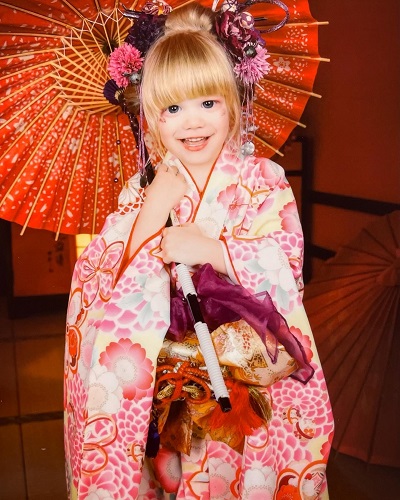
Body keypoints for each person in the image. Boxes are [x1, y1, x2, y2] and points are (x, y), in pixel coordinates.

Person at [64, 2, 334, 498]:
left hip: (250, 387)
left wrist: (214, 249)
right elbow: (99, 285)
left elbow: (287, 267)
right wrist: (154, 209)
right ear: (150, 118)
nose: (192, 123)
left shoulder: (264, 181)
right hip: (171, 394)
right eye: (172, 109)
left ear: (234, 102)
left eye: (207, 103)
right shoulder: (142, 189)